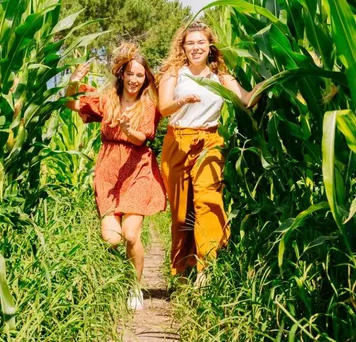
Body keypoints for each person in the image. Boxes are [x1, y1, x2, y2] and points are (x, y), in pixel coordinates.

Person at [158, 21, 262, 286]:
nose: (195, 47)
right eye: (190, 43)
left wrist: (270, 78)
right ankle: (180, 272)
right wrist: (182, 101)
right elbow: (163, 108)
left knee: (208, 201)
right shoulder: (174, 73)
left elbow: (246, 100)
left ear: (209, 46)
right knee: (181, 212)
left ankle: (205, 267)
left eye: (200, 42)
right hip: (178, 141)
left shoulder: (221, 76)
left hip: (210, 141)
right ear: (182, 47)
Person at [66, 43, 166, 310]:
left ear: (146, 79)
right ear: (122, 74)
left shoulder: (148, 106)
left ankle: (135, 287)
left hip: (138, 169)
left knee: (131, 234)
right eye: (130, 74)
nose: (134, 80)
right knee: (111, 238)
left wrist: (126, 128)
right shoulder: (107, 99)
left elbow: (143, 137)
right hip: (108, 171)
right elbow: (71, 103)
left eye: (140, 75)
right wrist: (73, 82)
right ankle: (118, 278)